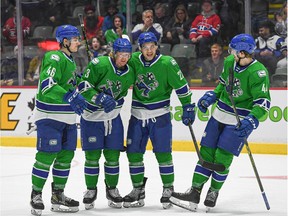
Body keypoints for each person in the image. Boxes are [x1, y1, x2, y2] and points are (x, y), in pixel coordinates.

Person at [169, 33, 271, 211]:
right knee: (206, 154)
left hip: (238, 120)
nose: (230, 52)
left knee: (223, 157)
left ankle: (213, 192)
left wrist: (252, 119)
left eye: (233, 50)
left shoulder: (258, 73)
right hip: (219, 114)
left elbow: (263, 104)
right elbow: (223, 84)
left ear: (242, 53)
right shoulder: (230, 62)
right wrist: (213, 95)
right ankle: (194, 192)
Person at [123, 32, 195, 209]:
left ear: (157, 46)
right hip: (137, 116)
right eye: (145, 47)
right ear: (139, 48)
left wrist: (188, 106)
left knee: (163, 154)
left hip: (160, 117)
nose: (149, 50)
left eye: (152, 47)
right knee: (133, 154)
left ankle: (168, 189)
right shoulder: (133, 60)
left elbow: (182, 87)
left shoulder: (167, 63)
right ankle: (138, 189)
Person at [30, 25, 87, 216]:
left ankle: (57, 195)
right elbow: (47, 85)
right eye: (75, 39)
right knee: (46, 156)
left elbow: (69, 84)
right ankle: (36, 195)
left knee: (65, 158)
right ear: (65, 41)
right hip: (49, 117)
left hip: (68, 119)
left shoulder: (70, 60)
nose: (78, 42)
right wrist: (70, 97)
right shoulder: (54, 57)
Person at [78, 38, 134, 210]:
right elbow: (82, 86)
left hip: (113, 119)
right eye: (121, 54)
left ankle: (112, 189)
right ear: (113, 53)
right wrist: (99, 97)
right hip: (92, 119)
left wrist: (115, 103)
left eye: (127, 55)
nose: (124, 58)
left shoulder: (130, 72)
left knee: (113, 157)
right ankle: (90, 190)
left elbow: (122, 94)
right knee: (92, 158)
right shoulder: (99, 64)